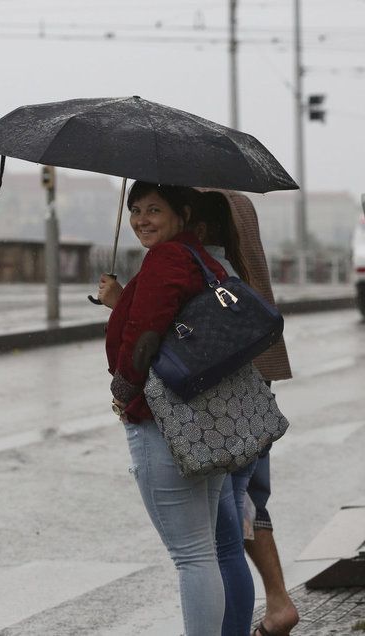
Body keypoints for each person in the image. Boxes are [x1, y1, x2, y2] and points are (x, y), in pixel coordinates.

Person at [98, 181, 231, 636]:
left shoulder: (166, 259)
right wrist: (122, 300)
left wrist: (123, 392)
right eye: (135, 210)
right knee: (203, 551)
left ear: (183, 213)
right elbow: (169, 321)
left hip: (164, 419)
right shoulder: (197, 257)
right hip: (202, 417)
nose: (141, 220)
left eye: (154, 209)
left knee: (191, 555)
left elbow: (145, 337)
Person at [208, 189, 301, 636]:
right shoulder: (238, 199)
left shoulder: (199, 203)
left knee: (223, 515)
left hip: (227, 374)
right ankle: (278, 602)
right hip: (255, 365)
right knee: (248, 497)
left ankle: (242, 617)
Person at [189, 190, 259, 636]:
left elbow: (188, 347)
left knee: (223, 546)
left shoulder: (202, 275)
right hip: (238, 423)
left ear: (201, 226)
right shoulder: (230, 270)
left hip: (217, 425)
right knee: (228, 544)